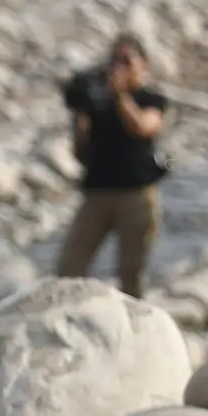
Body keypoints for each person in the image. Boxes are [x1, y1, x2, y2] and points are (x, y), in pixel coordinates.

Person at [56, 33, 170, 298]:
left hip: (136, 195)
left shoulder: (150, 99)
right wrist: (80, 114)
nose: (119, 66)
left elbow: (143, 126)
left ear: (144, 63)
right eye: (114, 60)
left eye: (126, 60)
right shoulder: (98, 102)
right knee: (69, 267)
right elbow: (80, 151)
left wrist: (120, 96)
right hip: (97, 194)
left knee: (131, 274)